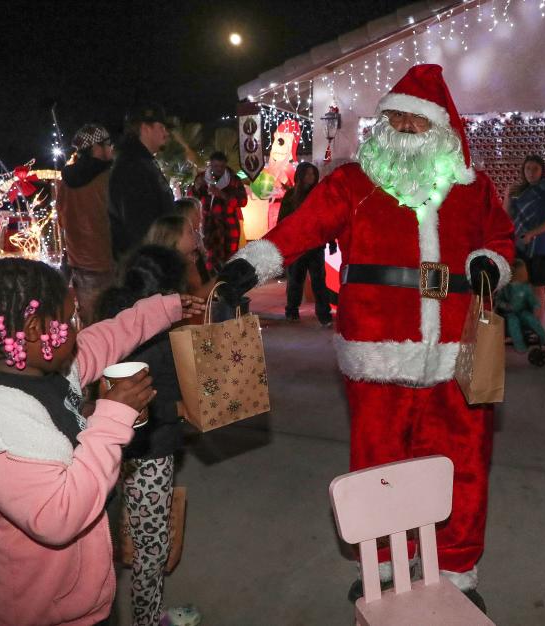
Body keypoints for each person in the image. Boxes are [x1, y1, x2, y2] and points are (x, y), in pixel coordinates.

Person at [216, 64, 514, 609]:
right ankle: (381, 567)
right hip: (376, 352)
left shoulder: (475, 190)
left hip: (456, 351)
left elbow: (500, 236)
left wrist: (490, 262)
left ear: (442, 130)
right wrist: (251, 264)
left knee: (463, 462)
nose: (402, 127)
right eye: (394, 117)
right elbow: (300, 229)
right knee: (377, 465)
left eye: (415, 121)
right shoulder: (352, 184)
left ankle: (456, 567)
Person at [0, 257, 203, 626]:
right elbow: (60, 516)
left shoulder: (40, 367)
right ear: (34, 330)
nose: (76, 328)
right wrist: (112, 417)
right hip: (28, 608)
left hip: (64, 591)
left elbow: (104, 338)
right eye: (68, 320)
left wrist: (163, 309)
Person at [96, 246, 199, 626]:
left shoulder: (115, 323)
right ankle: (150, 618)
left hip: (111, 449)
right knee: (151, 546)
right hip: (150, 456)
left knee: (120, 536)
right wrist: (185, 410)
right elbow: (156, 401)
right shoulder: (155, 341)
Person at [57, 123, 116, 324]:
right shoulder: (109, 177)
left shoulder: (65, 182)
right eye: (107, 143)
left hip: (80, 263)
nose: (111, 148)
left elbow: (61, 220)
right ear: (95, 148)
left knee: (91, 325)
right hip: (109, 261)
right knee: (115, 326)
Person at [109, 103, 175, 257]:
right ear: (145, 128)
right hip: (148, 267)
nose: (166, 133)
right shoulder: (133, 166)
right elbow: (140, 228)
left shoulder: (141, 162)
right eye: (162, 127)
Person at [506, 154, 545, 326]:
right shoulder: (517, 191)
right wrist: (508, 198)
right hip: (519, 244)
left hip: (540, 245)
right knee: (518, 284)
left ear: (542, 171)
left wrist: (532, 233)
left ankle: (535, 325)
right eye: (528, 169)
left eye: (535, 169)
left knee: (537, 286)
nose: (531, 173)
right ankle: (520, 324)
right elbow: (507, 216)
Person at [277, 161, 333, 326]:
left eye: (313, 174)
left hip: (315, 245)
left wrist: (330, 241)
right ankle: (292, 311)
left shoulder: (319, 195)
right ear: (300, 176)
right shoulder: (291, 196)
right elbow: (282, 221)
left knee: (319, 281)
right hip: (297, 246)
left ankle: (324, 315)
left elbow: (327, 220)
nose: (311, 177)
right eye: (307, 174)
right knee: (295, 280)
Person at [194, 151, 247, 270]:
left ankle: (227, 285)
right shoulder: (202, 178)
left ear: (226, 165)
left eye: (221, 166)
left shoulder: (233, 180)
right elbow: (193, 199)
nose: (219, 169)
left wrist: (223, 195)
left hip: (228, 225)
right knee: (209, 260)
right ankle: (212, 286)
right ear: (210, 165)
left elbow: (243, 201)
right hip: (208, 226)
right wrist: (196, 188)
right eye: (215, 166)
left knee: (229, 261)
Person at [497, 258, 545, 352]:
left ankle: (543, 337)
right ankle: (519, 345)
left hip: (522, 311)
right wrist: (505, 306)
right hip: (509, 313)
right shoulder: (505, 288)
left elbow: (532, 300)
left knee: (530, 318)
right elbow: (498, 301)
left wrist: (536, 306)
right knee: (514, 322)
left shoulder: (525, 288)